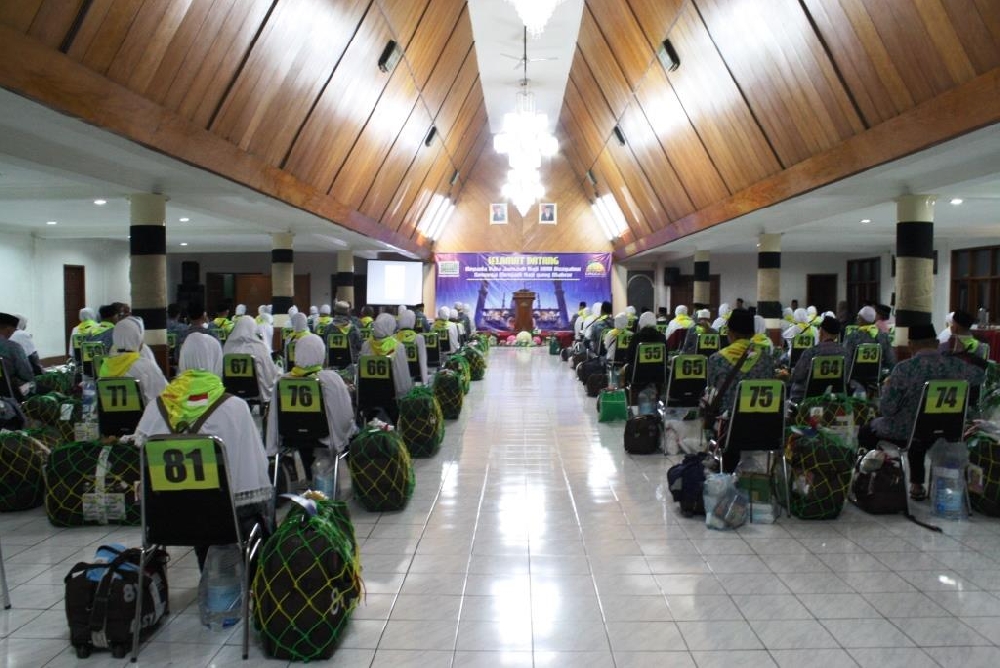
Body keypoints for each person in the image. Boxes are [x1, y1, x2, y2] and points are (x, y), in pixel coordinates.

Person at [134, 333, 273, 570]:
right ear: (217, 360)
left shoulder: (156, 408)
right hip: (223, 519)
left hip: (167, 521)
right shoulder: (235, 408)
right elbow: (256, 467)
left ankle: (207, 568)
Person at [858, 323, 984, 500]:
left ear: (911, 345)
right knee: (921, 429)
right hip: (949, 432)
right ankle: (916, 485)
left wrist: (887, 388)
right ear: (936, 343)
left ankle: (876, 480)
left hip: (908, 432)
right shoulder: (957, 366)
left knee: (867, 431)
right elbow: (980, 376)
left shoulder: (904, 369)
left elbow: (887, 409)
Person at [265, 333, 355, 475]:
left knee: (303, 431)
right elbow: (345, 415)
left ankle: (308, 475)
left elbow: (274, 417)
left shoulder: (283, 381)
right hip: (324, 436)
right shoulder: (331, 379)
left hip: (291, 435)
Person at [704, 309, 774, 472]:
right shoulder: (767, 360)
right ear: (752, 334)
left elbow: (712, 391)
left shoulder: (717, 359)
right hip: (765, 429)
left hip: (729, 430)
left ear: (730, 333)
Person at [98, 318, 168, 406]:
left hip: (110, 415)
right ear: (138, 338)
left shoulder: (105, 366)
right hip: (144, 414)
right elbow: (164, 396)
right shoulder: (146, 367)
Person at [788, 316, 845, 403]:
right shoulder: (844, 353)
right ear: (837, 335)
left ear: (821, 332)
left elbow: (797, 376)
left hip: (806, 398)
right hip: (834, 397)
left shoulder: (811, 352)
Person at [223, 316, 280, 403]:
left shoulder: (228, 346)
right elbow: (269, 372)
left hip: (231, 391)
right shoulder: (260, 347)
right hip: (257, 392)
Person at [359, 313, 413, 399]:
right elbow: (402, 379)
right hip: (392, 397)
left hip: (368, 395)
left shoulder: (365, 345)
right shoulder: (398, 347)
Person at [843, 305, 895, 369]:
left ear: (861, 319)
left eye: (858, 317)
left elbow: (846, 360)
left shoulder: (852, 337)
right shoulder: (883, 336)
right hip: (877, 374)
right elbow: (891, 360)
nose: (857, 319)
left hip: (855, 374)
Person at [0, 312, 34, 385]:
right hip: (9, 388)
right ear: (8, 330)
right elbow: (26, 374)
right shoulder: (13, 347)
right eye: (12, 332)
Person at [397, 309, 428, 384]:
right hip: (414, 376)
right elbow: (422, 362)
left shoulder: (393, 338)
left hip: (398, 378)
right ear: (413, 321)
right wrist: (425, 383)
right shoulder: (419, 338)